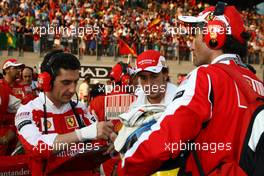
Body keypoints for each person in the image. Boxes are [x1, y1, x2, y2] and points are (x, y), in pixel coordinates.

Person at [120, 3, 264, 176]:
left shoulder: (206, 76)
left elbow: (164, 140)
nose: (191, 45)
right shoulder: (257, 82)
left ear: (214, 35)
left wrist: (124, 167)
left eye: (195, 35)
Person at [15, 51, 114, 176]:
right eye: (66, 82)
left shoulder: (80, 108)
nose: (73, 89)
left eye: (75, 82)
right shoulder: (27, 110)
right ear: (46, 81)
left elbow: (99, 143)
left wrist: (111, 140)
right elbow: (37, 148)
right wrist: (83, 133)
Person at [88, 62, 137, 176]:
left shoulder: (97, 101)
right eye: (134, 78)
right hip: (129, 160)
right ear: (126, 79)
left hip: (103, 161)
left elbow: (91, 134)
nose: (136, 82)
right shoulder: (138, 100)